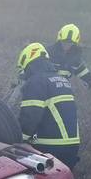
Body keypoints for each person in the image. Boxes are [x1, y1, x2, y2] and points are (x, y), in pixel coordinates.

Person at [16, 42, 81, 170]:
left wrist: (18, 140)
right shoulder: (61, 80)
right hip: (72, 146)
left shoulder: (36, 81)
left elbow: (30, 116)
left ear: (28, 64)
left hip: (51, 147)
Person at [46, 23, 91, 88]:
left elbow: (81, 70)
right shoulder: (48, 53)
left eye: (70, 43)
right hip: (46, 86)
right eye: (64, 42)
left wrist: (89, 81)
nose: (66, 45)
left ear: (75, 43)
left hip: (62, 87)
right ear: (59, 40)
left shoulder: (75, 56)